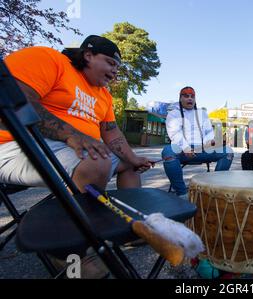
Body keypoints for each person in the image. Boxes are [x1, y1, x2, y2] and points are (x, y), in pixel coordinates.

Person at [0, 35, 155, 193]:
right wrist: (71, 134)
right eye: (110, 63)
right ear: (88, 55)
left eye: (117, 68)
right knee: (98, 162)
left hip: (71, 151)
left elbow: (112, 132)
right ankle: (83, 217)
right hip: (15, 144)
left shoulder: (105, 96)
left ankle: (132, 217)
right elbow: (11, 102)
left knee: (129, 165)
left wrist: (134, 159)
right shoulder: (51, 59)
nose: (115, 71)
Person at [162, 87, 234, 199]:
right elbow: (175, 134)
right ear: (180, 98)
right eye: (186, 96)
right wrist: (185, 147)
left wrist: (211, 142)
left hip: (202, 149)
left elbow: (208, 132)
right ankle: (182, 193)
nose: (190, 98)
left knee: (228, 152)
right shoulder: (173, 114)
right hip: (182, 150)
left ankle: (214, 189)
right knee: (167, 152)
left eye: (192, 96)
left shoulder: (202, 113)